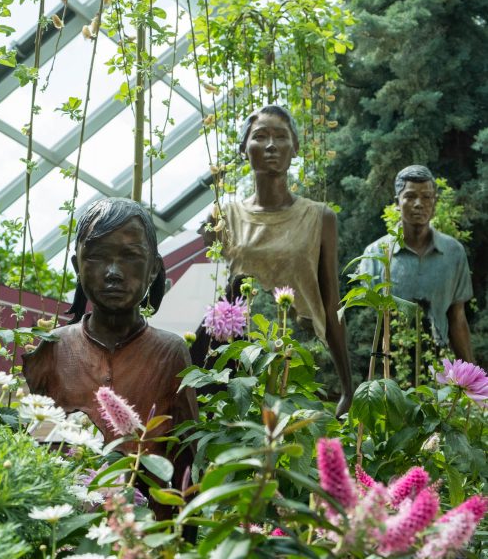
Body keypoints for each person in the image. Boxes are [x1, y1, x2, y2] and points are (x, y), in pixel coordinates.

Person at [23, 198, 198, 500]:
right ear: (77, 265)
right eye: (98, 257)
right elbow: (35, 451)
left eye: (130, 256)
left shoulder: (171, 353)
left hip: (150, 529)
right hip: (68, 523)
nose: (113, 272)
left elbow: (187, 459)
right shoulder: (51, 349)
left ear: (153, 268)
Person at [198, 104, 353, 416]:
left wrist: (348, 386)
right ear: (244, 149)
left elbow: (330, 300)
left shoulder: (319, 217)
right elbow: (209, 294)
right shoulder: (222, 217)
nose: (271, 145)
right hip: (238, 362)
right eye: (260, 136)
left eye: (281, 137)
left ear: (294, 148)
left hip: (301, 358)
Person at [359, 165, 473, 361]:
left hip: (437, 362)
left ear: (435, 203)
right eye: (410, 196)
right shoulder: (375, 255)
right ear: (397, 202)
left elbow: (457, 318)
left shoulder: (454, 252)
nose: (419, 204)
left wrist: (474, 377)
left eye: (427, 197)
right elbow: (369, 324)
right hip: (390, 365)